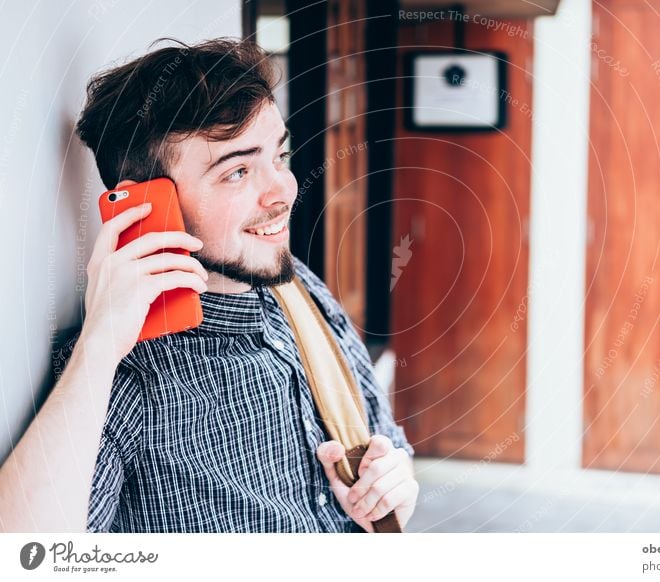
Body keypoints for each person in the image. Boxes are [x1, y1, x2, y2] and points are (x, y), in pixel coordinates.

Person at [0, 38, 417, 533]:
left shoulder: (298, 288)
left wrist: (393, 486)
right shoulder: (120, 375)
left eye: (277, 156)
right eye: (237, 171)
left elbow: (387, 441)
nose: (284, 189)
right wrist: (98, 349)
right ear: (149, 208)